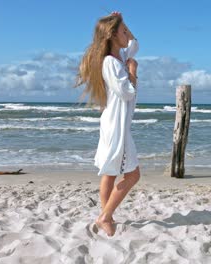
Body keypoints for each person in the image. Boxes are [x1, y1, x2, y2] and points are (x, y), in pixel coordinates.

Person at [76, 11, 140, 236]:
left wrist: (123, 23)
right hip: (117, 128)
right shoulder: (112, 63)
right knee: (133, 175)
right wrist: (133, 72)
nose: (127, 35)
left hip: (114, 124)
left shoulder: (118, 57)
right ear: (113, 35)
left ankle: (107, 216)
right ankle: (105, 216)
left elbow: (134, 43)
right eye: (123, 31)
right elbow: (126, 93)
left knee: (110, 173)